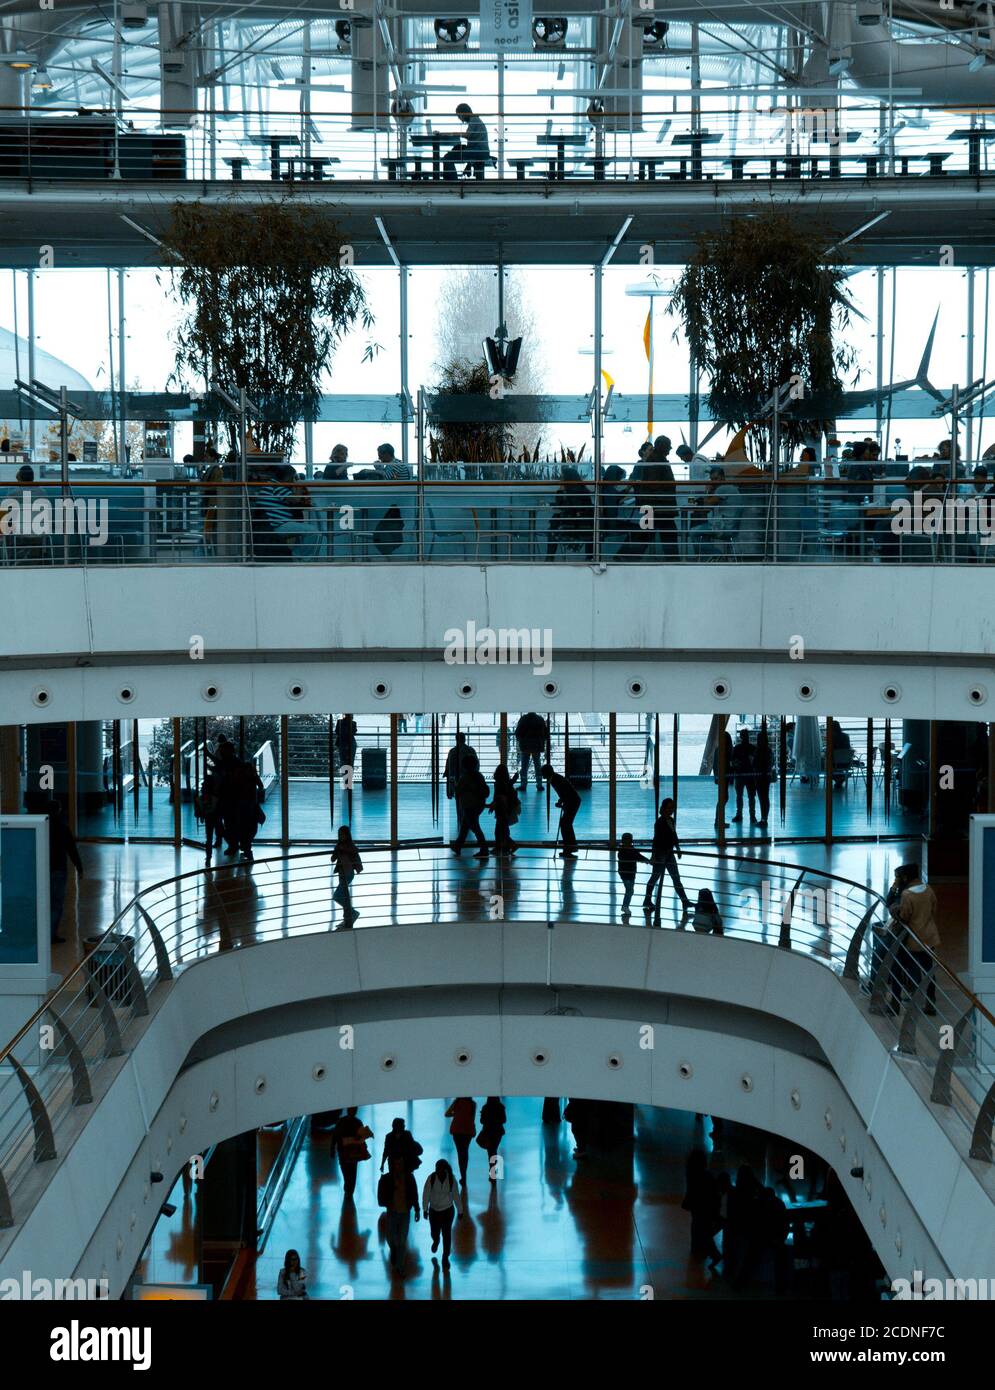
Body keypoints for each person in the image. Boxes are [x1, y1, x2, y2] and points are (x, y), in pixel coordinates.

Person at [24, 790, 84, 944]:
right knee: (56, 904)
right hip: (58, 869)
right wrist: (79, 867)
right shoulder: (63, 827)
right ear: (59, 811)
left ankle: (36, 933)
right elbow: (72, 849)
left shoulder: (40, 827)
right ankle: (51, 935)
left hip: (42, 868)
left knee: (40, 901)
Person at [896, 863, 939, 1014]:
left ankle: (916, 1000)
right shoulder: (928, 889)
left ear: (906, 877)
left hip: (914, 938)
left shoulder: (907, 895)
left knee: (914, 969)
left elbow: (904, 916)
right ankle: (930, 1000)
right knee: (928, 969)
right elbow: (934, 908)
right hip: (930, 936)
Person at [643, 797, 690, 913]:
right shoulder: (659, 823)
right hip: (661, 854)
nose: (671, 810)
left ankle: (685, 901)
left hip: (668, 853)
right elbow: (656, 839)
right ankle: (647, 900)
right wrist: (654, 855)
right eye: (669, 808)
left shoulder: (671, 820)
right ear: (663, 809)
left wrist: (678, 848)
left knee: (674, 878)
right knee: (655, 878)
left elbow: (674, 835)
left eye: (672, 808)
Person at [377, 1157, 420, 1273]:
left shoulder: (409, 1178)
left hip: (405, 1212)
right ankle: (394, 1250)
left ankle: (400, 1267)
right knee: (391, 1238)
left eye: (400, 1164)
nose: (398, 1166)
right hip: (392, 1212)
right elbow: (381, 1195)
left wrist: (417, 1208)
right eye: (396, 1164)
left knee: (402, 1240)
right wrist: (385, 1203)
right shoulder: (386, 1179)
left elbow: (414, 1194)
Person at [545, 466, 594, 560]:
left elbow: (563, 507)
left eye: (562, 478)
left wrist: (560, 490)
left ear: (568, 479)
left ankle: (549, 558)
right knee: (554, 526)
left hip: (570, 527)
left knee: (552, 531)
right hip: (585, 527)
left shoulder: (567, 492)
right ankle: (590, 558)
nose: (560, 480)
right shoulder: (583, 491)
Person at [683, 1149, 721, 1263]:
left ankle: (705, 1251)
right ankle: (707, 1252)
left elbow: (691, 1191)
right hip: (706, 1207)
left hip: (698, 1207)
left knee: (699, 1227)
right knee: (703, 1229)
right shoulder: (707, 1176)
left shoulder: (692, 1174)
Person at [422, 1159, 462, 1267]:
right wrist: (425, 1209)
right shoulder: (431, 1178)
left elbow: (456, 1195)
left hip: (447, 1211)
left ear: (444, 1169)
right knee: (434, 1232)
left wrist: (460, 1210)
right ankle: (436, 1240)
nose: (437, 1170)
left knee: (447, 1234)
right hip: (434, 1211)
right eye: (436, 1168)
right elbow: (426, 1193)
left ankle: (445, 1257)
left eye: (439, 1168)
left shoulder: (451, 1179)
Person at [451, 752, 489, 858]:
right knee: (465, 825)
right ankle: (458, 846)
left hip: (469, 805)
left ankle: (484, 848)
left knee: (475, 827)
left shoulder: (465, 778)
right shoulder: (479, 776)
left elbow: (458, 791)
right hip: (479, 805)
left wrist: (453, 783)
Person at [442, 102, 491, 181]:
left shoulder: (474, 119)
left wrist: (451, 134)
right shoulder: (475, 120)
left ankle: (453, 182)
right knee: (455, 151)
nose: (459, 118)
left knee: (448, 158)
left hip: (478, 151)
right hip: (480, 151)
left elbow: (467, 135)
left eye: (459, 115)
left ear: (463, 113)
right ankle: (451, 179)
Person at [542, 763, 581, 858]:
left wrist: (561, 802)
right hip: (572, 801)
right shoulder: (555, 778)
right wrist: (561, 801)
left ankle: (569, 848)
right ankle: (570, 847)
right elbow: (564, 792)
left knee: (565, 824)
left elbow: (565, 792)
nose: (542, 775)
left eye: (542, 773)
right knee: (566, 824)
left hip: (572, 802)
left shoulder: (555, 780)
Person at [333, 1106, 373, 1198]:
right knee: (350, 1170)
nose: (353, 1111)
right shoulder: (356, 1122)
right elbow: (336, 1135)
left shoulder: (343, 1121)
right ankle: (349, 1189)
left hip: (346, 1150)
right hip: (348, 1151)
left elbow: (336, 1135)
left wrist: (333, 1147)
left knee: (348, 1170)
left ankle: (349, 1189)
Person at [330, 824, 363, 923]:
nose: (341, 837)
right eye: (340, 835)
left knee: (337, 896)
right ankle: (348, 917)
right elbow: (332, 859)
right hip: (342, 874)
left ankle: (352, 913)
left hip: (348, 874)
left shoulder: (350, 847)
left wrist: (341, 849)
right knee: (344, 895)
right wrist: (337, 850)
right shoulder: (339, 846)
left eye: (343, 835)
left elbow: (355, 854)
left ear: (347, 835)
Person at [487, 763, 520, 856]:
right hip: (506, 810)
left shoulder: (499, 784)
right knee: (503, 829)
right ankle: (505, 846)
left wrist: (493, 805)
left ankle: (508, 845)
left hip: (501, 810)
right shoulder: (506, 783)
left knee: (499, 831)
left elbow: (498, 797)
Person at [617, 832, 650, 917]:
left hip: (630, 874)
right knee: (630, 890)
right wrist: (648, 861)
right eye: (626, 841)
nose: (628, 842)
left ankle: (625, 906)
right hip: (626, 874)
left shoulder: (624, 851)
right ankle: (625, 906)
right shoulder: (627, 851)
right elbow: (638, 857)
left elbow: (638, 857)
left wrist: (648, 861)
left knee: (630, 890)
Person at [445, 1096, 477, 1184]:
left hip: (457, 1130)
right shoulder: (473, 1104)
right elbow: (472, 1118)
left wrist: (456, 1114)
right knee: (465, 1152)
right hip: (468, 1130)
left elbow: (447, 1114)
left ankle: (463, 1176)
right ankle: (464, 1175)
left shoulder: (457, 1102)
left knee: (460, 1153)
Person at [514, 711, 549, 790]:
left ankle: (523, 784)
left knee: (524, 766)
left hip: (525, 746)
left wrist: (521, 740)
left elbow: (517, 733)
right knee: (537, 765)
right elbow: (546, 734)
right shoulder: (540, 719)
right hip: (537, 746)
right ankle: (539, 784)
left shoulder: (523, 719)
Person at [730, 727, 756, 824]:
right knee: (751, 797)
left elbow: (732, 761)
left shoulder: (737, 748)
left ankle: (739, 815)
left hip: (740, 775)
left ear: (740, 737)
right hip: (750, 776)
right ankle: (752, 816)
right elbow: (756, 762)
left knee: (739, 796)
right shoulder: (752, 748)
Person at [197, 767, 225, 859]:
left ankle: (208, 855)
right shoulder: (216, 796)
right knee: (220, 831)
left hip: (209, 818)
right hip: (215, 817)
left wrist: (201, 814)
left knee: (209, 837)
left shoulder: (201, 798)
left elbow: (201, 808)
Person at [477, 1096, 507, 1179]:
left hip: (488, 1132)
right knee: (493, 1150)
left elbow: (482, 1121)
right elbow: (504, 1120)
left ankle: (492, 1171)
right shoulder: (500, 1107)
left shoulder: (485, 1107)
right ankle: (493, 1172)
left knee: (490, 1151)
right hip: (498, 1132)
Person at [753, 724, 773, 829]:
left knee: (762, 798)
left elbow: (754, 764)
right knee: (766, 797)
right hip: (767, 776)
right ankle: (765, 818)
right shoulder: (769, 750)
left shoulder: (758, 751)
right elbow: (771, 762)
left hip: (759, 777)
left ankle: (763, 819)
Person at [713, 725, 733, 828]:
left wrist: (716, 777)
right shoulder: (725, 751)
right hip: (724, 777)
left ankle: (719, 820)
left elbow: (715, 765)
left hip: (721, 777)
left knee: (722, 798)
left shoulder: (718, 749)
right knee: (723, 798)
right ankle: (719, 821)